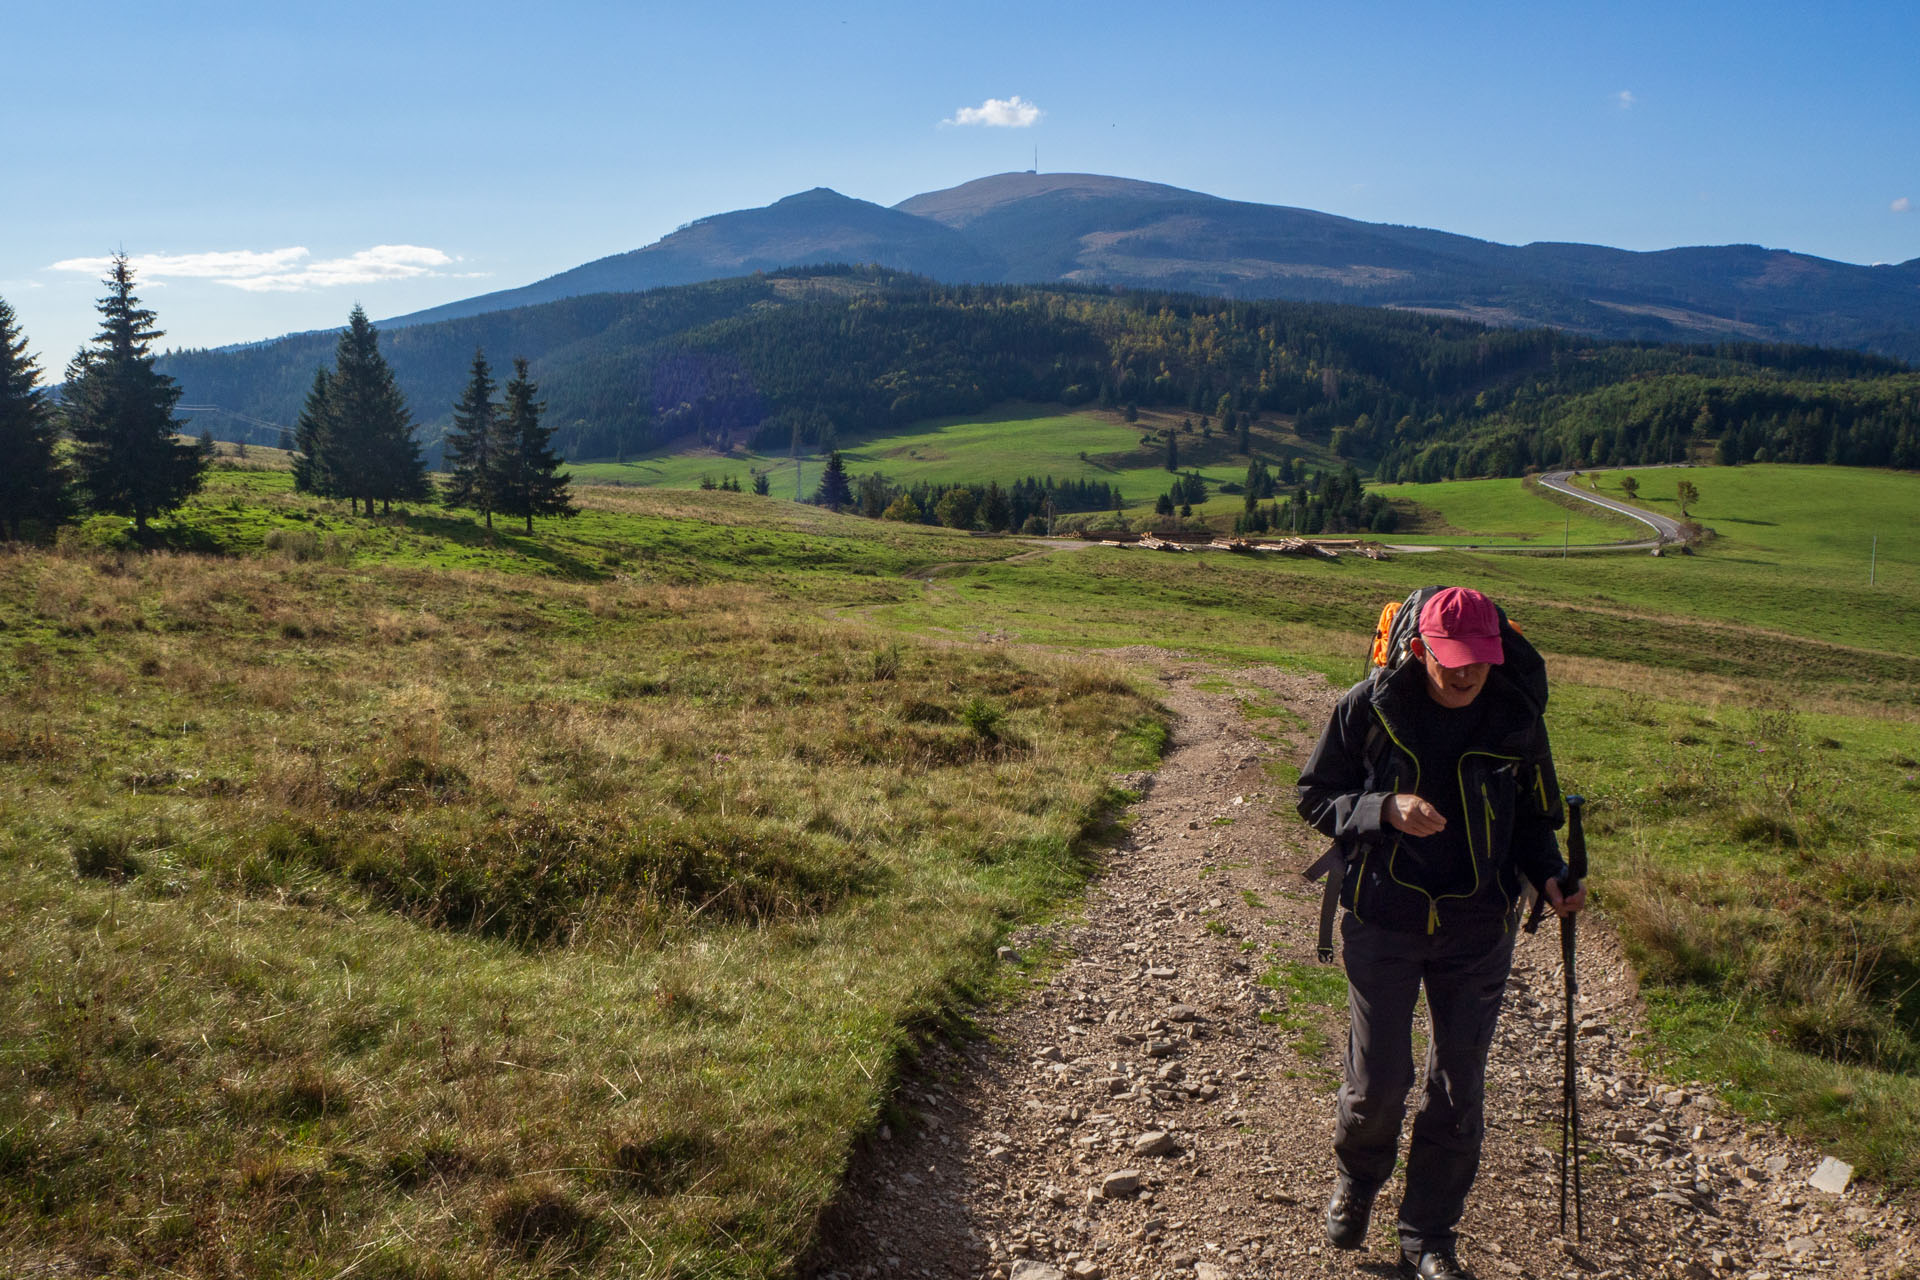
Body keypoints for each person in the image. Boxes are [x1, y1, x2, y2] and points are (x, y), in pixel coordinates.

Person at [1296, 586, 1585, 1280]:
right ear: (1420, 648)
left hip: (1477, 927)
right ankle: (1359, 1180)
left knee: (1458, 1087)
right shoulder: (1367, 706)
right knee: (1379, 1081)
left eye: (1478, 660)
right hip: (1382, 918)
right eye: (1451, 660)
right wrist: (1381, 808)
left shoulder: (1516, 716)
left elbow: (1534, 822)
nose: (1464, 675)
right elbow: (1313, 797)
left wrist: (1549, 875)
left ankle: (1428, 1234)